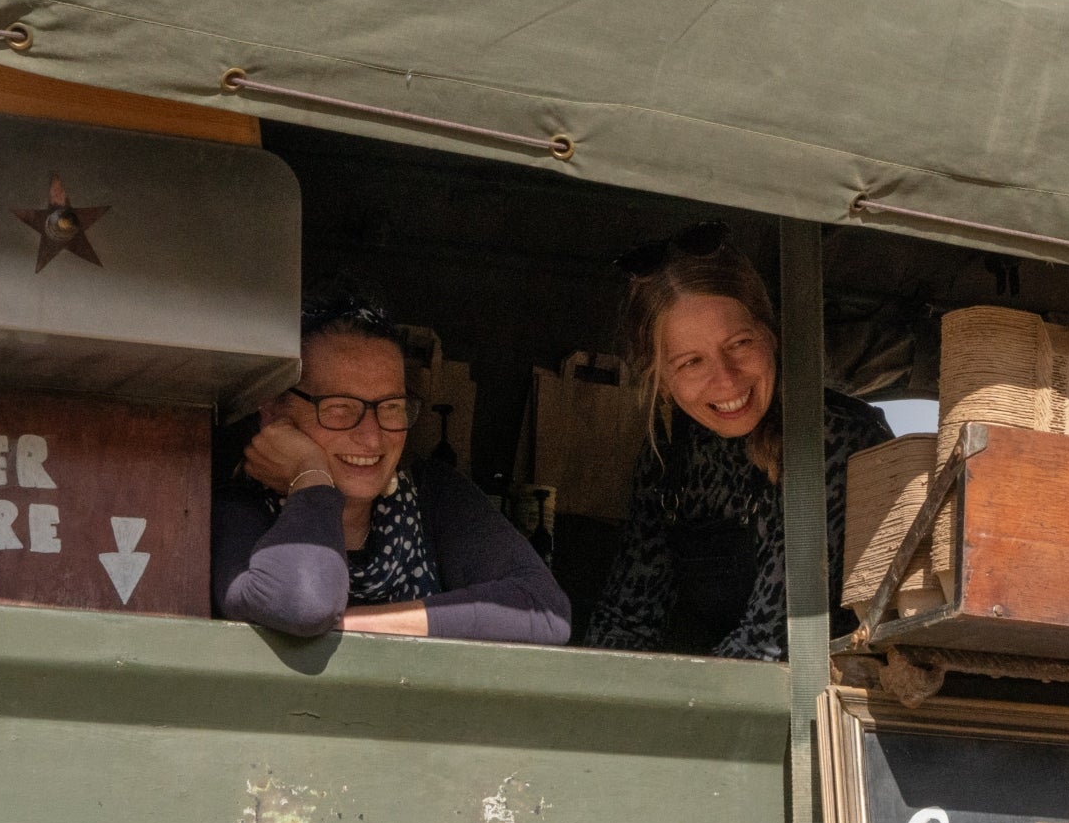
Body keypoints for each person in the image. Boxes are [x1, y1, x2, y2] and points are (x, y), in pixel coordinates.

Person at [584, 225, 893, 657]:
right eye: (692, 362)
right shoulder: (670, 454)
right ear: (662, 380)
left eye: (740, 344)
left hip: (830, 708)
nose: (726, 379)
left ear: (771, 335)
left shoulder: (834, 441)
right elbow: (628, 616)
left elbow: (773, 639)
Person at [214, 291, 570, 643]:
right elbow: (306, 604)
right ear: (272, 411)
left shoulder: (432, 493)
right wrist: (311, 475)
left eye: (391, 407)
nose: (372, 437)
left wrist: (351, 628)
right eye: (340, 407)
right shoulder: (241, 510)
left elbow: (542, 610)